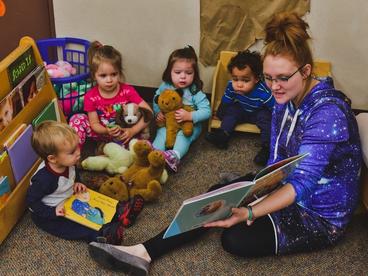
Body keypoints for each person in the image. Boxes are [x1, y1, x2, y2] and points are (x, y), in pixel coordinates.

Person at [87, 12, 361, 275]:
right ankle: (144, 252)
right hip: (284, 181)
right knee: (216, 196)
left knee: (235, 239)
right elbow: (278, 158)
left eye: (282, 78)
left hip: (317, 214)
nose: (274, 86)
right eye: (268, 78)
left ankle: (147, 251)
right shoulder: (285, 95)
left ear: (306, 71)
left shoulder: (327, 113)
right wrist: (257, 189)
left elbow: (302, 183)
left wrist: (251, 208)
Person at [27, 121, 144, 245]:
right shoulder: (43, 179)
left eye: (77, 146)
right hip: (50, 213)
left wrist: (77, 182)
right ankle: (102, 235)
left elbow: (74, 172)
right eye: (72, 152)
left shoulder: (67, 162)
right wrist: (52, 212)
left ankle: (121, 211)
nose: (78, 152)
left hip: (69, 197)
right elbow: (31, 202)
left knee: (95, 203)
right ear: (52, 159)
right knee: (73, 227)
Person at [69, 41, 153, 149]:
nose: (109, 80)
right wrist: (106, 130)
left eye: (114, 74)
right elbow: (94, 124)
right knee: (77, 119)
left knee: (143, 148)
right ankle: (74, 153)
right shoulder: (90, 96)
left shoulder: (127, 91)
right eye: (103, 75)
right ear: (94, 76)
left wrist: (132, 131)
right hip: (102, 133)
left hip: (125, 133)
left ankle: (114, 150)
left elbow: (149, 112)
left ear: (119, 72)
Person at [205, 50, 274, 166]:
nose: (239, 84)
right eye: (235, 79)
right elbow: (226, 100)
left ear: (256, 79)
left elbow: (274, 108)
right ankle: (223, 136)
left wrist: (279, 122)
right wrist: (220, 114)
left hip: (259, 112)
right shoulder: (231, 86)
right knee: (232, 110)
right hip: (242, 109)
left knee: (266, 119)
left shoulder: (263, 91)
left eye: (245, 80)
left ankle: (266, 149)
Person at [152, 45, 211, 172]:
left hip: (189, 126)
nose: (183, 77)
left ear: (194, 74)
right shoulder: (166, 86)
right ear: (170, 72)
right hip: (168, 123)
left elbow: (207, 111)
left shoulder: (194, 91)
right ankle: (154, 153)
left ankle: (174, 156)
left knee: (183, 136)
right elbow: (156, 99)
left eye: (188, 73)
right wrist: (158, 113)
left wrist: (190, 116)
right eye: (178, 72)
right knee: (161, 132)